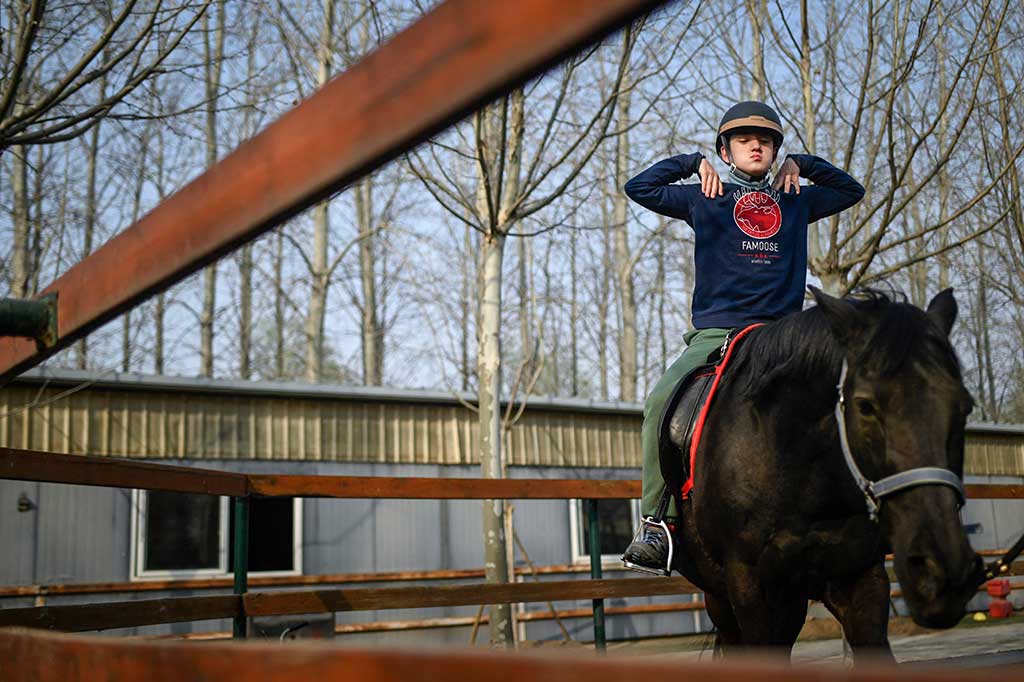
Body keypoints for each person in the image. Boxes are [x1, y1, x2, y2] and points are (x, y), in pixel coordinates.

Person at [620, 101, 865, 575]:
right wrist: (693, 164)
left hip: (783, 336)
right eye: (744, 139)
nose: (757, 145)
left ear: (776, 151)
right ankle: (657, 524)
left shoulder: (796, 198)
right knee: (659, 404)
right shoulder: (702, 198)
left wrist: (804, 164)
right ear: (726, 150)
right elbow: (640, 186)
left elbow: (851, 190)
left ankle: (867, 507)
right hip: (718, 332)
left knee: (852, 393)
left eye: (767, 140)